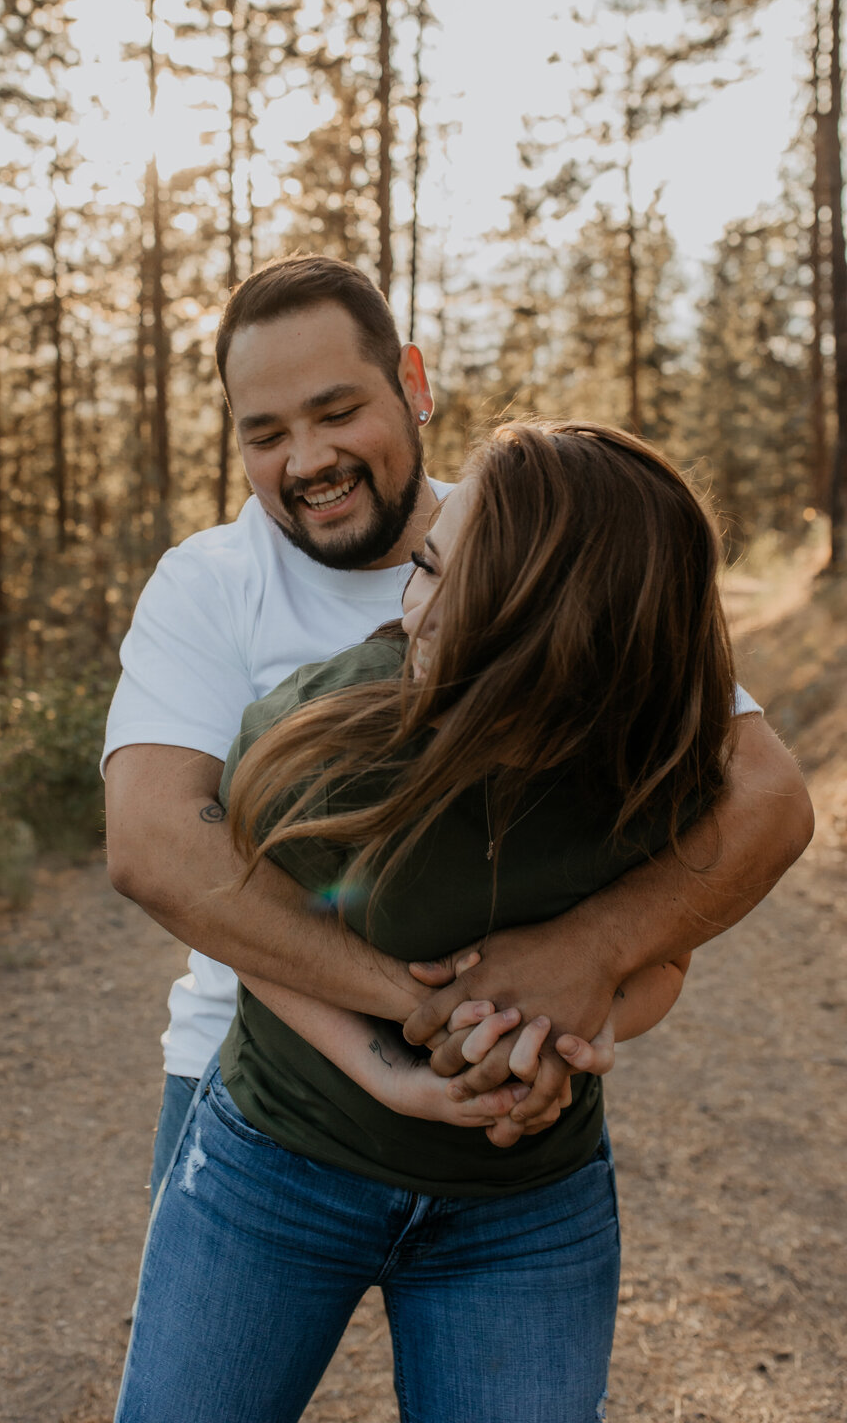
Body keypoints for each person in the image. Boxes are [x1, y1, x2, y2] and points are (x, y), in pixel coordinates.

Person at [113, 422, 780, 1422]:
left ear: (569, 629)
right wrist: (394, 1066)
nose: (416, 608)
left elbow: (661, 955)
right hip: (284, 1162)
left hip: (527, 1209)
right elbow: (246, 936)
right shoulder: (322, 743)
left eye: (459, 582)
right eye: (424, 564)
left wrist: (571, 1036)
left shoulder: (656, 773)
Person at [103, 255, 813, 1191]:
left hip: (516, 1123)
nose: (307, 460)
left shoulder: (546, 544)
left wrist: (586, 956)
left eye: (337, 411)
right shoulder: (208, 583)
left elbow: (765, 794)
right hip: (255, 1090)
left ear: (413, 384)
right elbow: (155, 845)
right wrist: (437, 1013)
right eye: (265, 433)